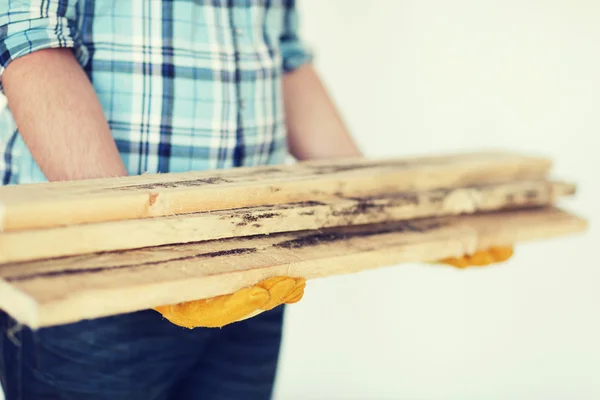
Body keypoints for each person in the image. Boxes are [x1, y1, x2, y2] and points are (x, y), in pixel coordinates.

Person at [0, 1, 511, 399]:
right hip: (91, 273)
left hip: (255, 271)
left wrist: (393, 212)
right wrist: (139, 254)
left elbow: (284, 57)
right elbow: (28, 38)